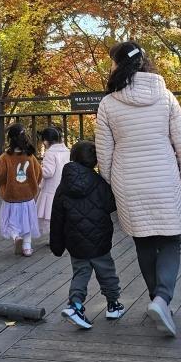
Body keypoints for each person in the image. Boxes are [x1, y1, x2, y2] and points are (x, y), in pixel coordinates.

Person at [94, 41, 181, 337]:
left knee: (144, 242)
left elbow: (104, 153)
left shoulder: (108, 104)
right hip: (164, 176)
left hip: (129, 180)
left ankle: (157, 300)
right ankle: (163, 299)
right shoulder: (166, 98)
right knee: (171, 239)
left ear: (119, 65)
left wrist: (114, 183)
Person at [50, 141, 124, 329]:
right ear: (95, 161)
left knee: (81, 273)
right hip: (99, 239)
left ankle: (75, 304)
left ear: (73, 158)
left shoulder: (63, 187)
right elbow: (111, 205)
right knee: (106, 271)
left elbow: (57, 217)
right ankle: (113, 304)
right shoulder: (99, 183)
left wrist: (57, 245)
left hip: (75, 242)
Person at [0, 123, 43, 256]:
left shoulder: (5, 157)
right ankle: (27, 247)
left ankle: (15, 237)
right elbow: (39, 173)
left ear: (10, 139)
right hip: (27, 197)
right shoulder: (30, 156)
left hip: (11, 197)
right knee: (27, 222)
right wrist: (33, 186)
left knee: (10, 221)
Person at [36, 127, 70, 229]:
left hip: (50, 189)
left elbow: (48, 172)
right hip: (64, 187)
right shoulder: (66, 151)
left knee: (50, 215)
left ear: (45, 141)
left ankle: (52, 237)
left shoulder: (50, 153)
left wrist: (37, 169)